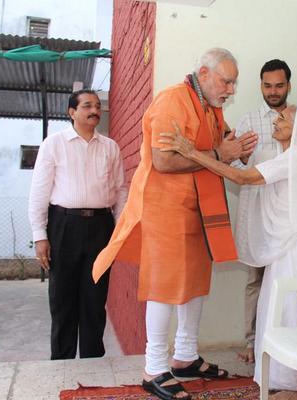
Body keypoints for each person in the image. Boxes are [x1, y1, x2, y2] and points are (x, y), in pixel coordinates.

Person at [91, 48, 257, 400]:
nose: (231, 89)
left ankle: (185, 357)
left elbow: (221, 149)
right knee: (164, 287)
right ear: (204, 74)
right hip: (164, 208)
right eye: (227, 81)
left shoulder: (211, 108)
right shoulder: (172, 101)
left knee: (195, 282)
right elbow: (164, 161)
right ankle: (154, 367)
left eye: (234, 83)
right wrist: (219, 154)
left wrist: (235, 150)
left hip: (199, 208)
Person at [160, 104, 297, 400]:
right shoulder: (287, 156)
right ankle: (282, 379)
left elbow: (244, 178)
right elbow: (247, 167)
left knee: (292, 313)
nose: (276, 121)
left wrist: (192, 153)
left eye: (284, 119)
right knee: (277, 311)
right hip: (289, 250)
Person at [28, 89, 128, 360]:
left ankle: (92, 362)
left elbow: (120, 191)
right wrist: (40, 236)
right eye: (87, 106)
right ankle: (61, 363)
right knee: (62, 300)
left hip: (101, 227)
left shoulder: (110, 147)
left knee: (95, 299)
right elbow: (39, 191)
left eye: (97, 106)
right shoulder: (54, 144)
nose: (94, 110)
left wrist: (119, 230)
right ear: (72, 112)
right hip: (64, 227)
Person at [233, 59, 292, 364]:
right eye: (267, 86)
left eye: (279, 86)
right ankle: (253, 342)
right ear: (260, 86)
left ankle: (283, 341)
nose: (273, 92)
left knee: (286, 279)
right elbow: (234, 165)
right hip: (257, 214)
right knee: (256, 279)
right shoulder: (248, 120)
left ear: (288, 86)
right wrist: (242, 158)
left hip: (287, 216)